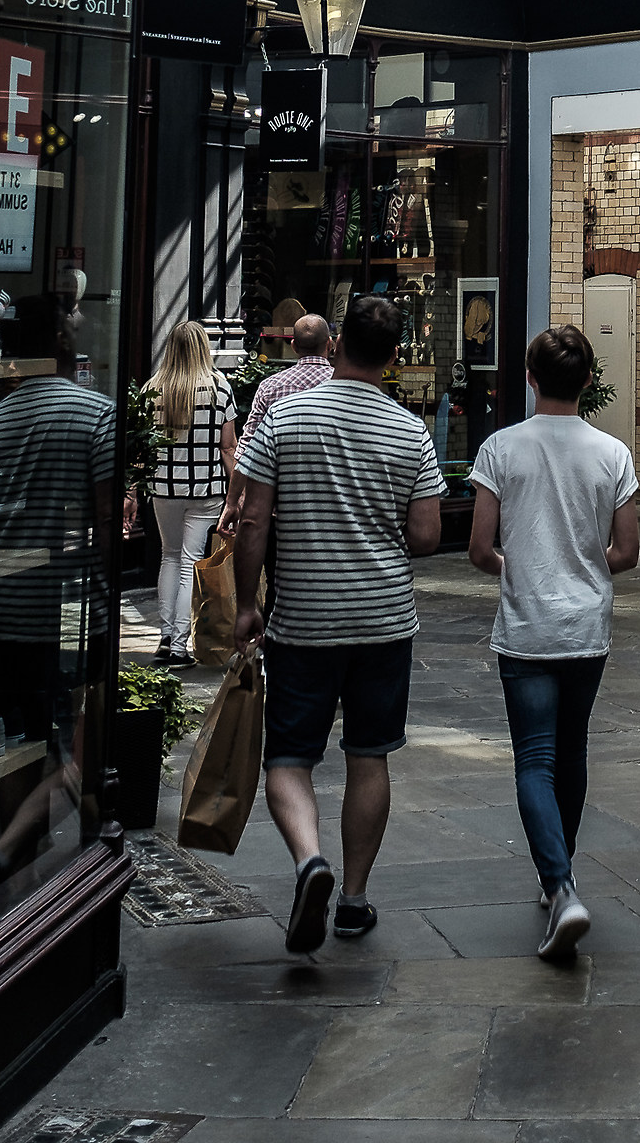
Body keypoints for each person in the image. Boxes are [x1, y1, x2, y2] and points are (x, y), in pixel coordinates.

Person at [232, 293, 444, 955]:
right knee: (369, 755)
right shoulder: (409, 429)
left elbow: (253, 519)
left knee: (290, 756)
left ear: (339, 341)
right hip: (383, 618)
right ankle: (352, 898)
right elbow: (426, 535)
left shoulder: (286, 417)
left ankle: (307, 861)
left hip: (304, 620)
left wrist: (246, 602)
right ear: (392, 355)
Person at [468, 324, 639, 962]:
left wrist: (519, 565)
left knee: (534, 760)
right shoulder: (612, 454)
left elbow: (480, 549)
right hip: (586, 628)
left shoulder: (499, 449)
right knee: (571, 754)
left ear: (530, 378)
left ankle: (560, 883)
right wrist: (584, 564)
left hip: (527, 628)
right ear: (588, 382)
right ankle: (559, 876)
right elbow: (627, 551)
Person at [0, 293, 115, 892]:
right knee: (79, 742)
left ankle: (16, 882)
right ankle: (26, 863)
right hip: (65, 605)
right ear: (60, 342)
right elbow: (103, 519)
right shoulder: (93, 414)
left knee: (19, 743)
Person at [144, 321, 237, 667]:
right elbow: (228, 447)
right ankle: (181, 647)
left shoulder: (154, 388)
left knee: (169, 556)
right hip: (205, 489)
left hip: (163, 487)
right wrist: (237, 493)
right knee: (189, 562)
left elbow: (143, 447)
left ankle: (167, 638)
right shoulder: (218, 388)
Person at [215, 314, 332, 539]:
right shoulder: (343, 386)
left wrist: (233, 501)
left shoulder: (270, 387)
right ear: (329, 344)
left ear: (294, 345)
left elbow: (247, 448)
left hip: (279, 509)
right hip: (330, 511)